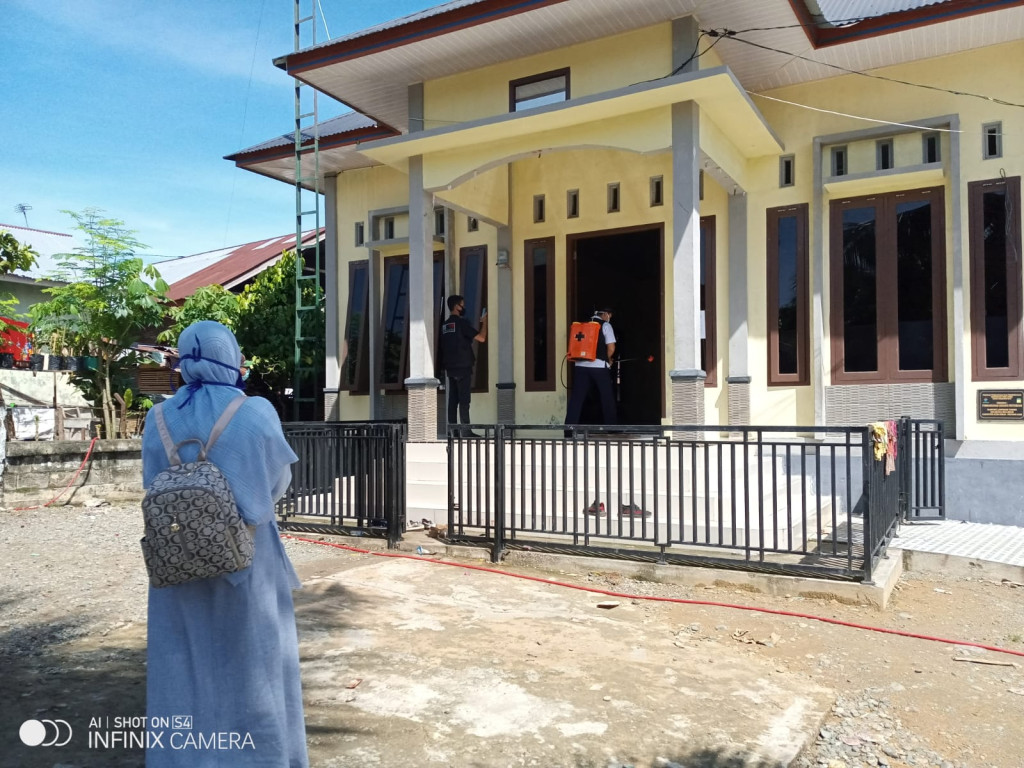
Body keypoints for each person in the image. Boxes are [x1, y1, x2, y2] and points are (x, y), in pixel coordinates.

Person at [141, 321, 308, 767]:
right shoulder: (255, 412)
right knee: (254, 663)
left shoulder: (157, 418)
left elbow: (150, 484)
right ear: (232, 360)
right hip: (249, 560)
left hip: (177, 560)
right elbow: (278, 483)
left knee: (183, 658)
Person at [439, 294, 487, 437]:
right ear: (456, 307)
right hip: (463, 367)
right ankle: (466, 431)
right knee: (464, 400)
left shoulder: (445, 326)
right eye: (462, 305)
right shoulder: (461, 324)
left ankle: (452, 432)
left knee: (453, 401)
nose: (464, 307)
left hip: (450, 368)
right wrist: (484, 322)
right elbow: (481, 338)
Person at [565, 307, 617, 427]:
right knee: (607, 396)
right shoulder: (605, 326)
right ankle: (612, 428)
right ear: (605, 314)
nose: (610, 318)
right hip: (598, 366)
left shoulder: (582, 325)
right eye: (610, 315)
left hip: (580, 365)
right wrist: (607, 359)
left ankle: (568, 430)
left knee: (576, 399)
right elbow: (611, 348)